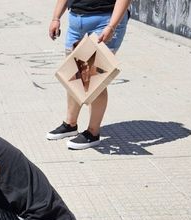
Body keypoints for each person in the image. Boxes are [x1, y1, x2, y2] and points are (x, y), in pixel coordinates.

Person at [45, 0, 131, 150]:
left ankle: (93, 132)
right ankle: (70, 124)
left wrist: (112, 26)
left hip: (104, 21)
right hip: (76, 20)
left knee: (94, 79)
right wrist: (56, 18)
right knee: (74, 74)